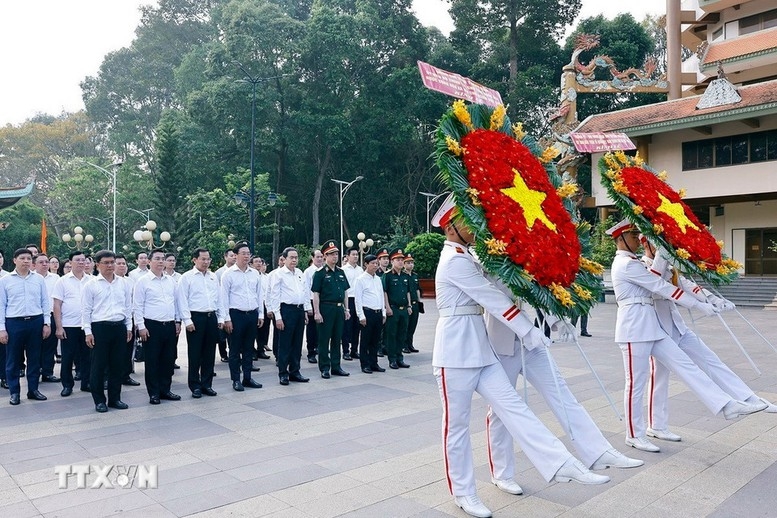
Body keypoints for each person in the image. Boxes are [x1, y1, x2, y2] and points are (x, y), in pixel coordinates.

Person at [431, 197, 608, 518]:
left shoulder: (470, 256)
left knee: (514, 408)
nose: (474, 226)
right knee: (456, 427)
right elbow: (492, 298)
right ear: (450, 227)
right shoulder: (454, 260)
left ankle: (560, 463)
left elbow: (507, 287)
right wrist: (527, 330)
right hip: (454, 353)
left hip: (481, 350)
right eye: (467, 220)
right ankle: (464, 493)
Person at [607, 219, 765, 453]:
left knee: (687, 366)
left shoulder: (635, 262)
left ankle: (726, 404)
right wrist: (698, 305)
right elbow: (660, 287)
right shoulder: (625, 265)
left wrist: (708, 300)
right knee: (636, 384)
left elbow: (670, 282)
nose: (637, 241)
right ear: (620, 239)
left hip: (652, 327)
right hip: (634, 330)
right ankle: (634, 435)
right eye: (632, 236)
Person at [484, 293, 643, 493]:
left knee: (562, 394)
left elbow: (535, 291)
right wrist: (527, 329)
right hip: (501, 344)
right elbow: (493, 299)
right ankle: (502, 474)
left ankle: (599, 451)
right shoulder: (486, 270)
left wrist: (559, 321)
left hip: (531, 343)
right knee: (500, 412)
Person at [640, 235, 777, 442]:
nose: (663, 247)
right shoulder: (642, 266)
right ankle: (656, 426)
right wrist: (662, 255)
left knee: (712, 361)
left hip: (678, 327)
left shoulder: (668, 266)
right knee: (659, 378)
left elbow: (687, 285)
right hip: (658, 332)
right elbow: (657, 287)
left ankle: (749, 397)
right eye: (658, 243)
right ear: (646, 244)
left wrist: (714, 299)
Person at [82, 250, 133, 412]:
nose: (110, 265)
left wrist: (129, 327)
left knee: (117, 365)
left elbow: (128, 307)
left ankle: (115, 399)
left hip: (119, 327)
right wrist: (88, 332)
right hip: (100, 328)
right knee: (98, 366)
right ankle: (99, 401)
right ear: (98, 265)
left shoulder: (124, 283)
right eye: (106, 263)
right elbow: (86, 310)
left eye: (112, 262)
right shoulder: (91, 284)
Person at [0, 248, 51, 405]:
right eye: (22, 258)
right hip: (14, 323)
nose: (26, 261)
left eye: (29, 258)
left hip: (35, 322)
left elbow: (45, 301)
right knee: (13, 359)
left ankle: (33, 390)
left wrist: (46, 323)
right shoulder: (5, 281)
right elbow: (1, 306)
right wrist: (2, 328)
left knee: (34, 358)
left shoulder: (38, 279)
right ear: (14, 260)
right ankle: (14, 392)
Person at [133, 248, 182, 404]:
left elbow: (177, 303)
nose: (161, 261)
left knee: (168, 360)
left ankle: (165, 389)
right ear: (149, 261)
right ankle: (154, 393)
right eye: (157, 259)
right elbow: (137, 306)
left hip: (169, 325)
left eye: (163, 259)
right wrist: (141, 326)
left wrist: (177, 321)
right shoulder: (143, 281)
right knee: (153, 361)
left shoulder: (171, 281)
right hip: (151, 326)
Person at [177, 248, 223, 398]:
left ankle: (206, 384)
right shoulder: (187, 277)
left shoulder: (213, 276)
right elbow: (182, 300)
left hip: (211, 317)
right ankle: (195, 385)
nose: (206, 262)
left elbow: (219, 298)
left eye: (208, 259)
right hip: (195, 318)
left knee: (210, 353)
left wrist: (221, 318)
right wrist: (187, 320)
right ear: (194, 259)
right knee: (195, 353)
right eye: (203, 259)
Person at [221, 243, 264, 391]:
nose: (246, 256)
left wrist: (260, 314)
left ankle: (247, 377)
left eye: (248, 253)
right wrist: (226, 318)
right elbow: (224, 298)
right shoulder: (228, 274)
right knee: (234, 349)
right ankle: (236, 379)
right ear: (235, 255)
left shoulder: (255, 274)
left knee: (248, 348)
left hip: (252, 314)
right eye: (243, 253)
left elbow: (259, 295)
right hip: (236, 315)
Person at [269, 247, 311, 386]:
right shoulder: (279, 274)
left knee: (297, 343)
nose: (294, 260)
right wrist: (278, 316)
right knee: (285, 344)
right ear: (284, 259)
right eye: (291, 257)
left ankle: (295, 371)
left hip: (299, 310)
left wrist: (306, 311)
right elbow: (274, 296)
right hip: (286, 310)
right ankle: (283, 373)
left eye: (296, 257)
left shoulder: (299, 273)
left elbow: (305, 292)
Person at [53, 251, 92, 397]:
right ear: (70, 262)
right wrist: (59, 327)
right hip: (69, 325)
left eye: (83, 260)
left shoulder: (92, 280)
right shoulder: (62, 281)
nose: (81, 262)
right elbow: (57, 305)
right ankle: (67, 385)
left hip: (87, 325)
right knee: (68, 357)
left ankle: (86, 382)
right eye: (78, 260)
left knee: (88, 356)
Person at [311, 240, 350, 379]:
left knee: (337, 338)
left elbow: (345, 291)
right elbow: (316, 294)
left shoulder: (341, 272)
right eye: (331, 254)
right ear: (325, 256)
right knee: (324, 339)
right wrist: (317, 312)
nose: (335, 256)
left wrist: (347, 309)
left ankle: (336, 366)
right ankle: (325, 367)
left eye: (336, 254)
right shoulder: (320, 273)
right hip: (326, 308)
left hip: (339, 309)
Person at [353, 254, 386, 374]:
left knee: (375, 340)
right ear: (366, 264)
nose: (375, 265)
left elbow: (381, 296)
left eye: (376, 263)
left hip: (378, 313)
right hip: (367, 313)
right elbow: (358, 299)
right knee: (365, 340)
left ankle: (374, 363)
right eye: (372, 263)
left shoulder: (378, 279)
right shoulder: (360, 279)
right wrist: (361, 316)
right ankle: (365, 364)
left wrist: (383, 313)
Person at [383, 248, 411, 369]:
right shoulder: (387, 275)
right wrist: (387, 307)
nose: (400, 262)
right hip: (393, 309)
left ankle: (400, 358)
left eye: (401, 260)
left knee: (402, 334)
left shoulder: (405, 276)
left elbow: (408, 292)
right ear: (392, 261)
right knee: (392, 334)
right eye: (397, 260)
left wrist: (409, 305)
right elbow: (384, 292)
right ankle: (392, 359)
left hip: (403, 309)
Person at [114, 254, 140, 387]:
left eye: (124, 263)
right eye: (119, 263)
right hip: (114, 320)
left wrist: (136, 320)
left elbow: (135, 302)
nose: (122, 266)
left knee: (128, 348)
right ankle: (109, 376)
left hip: (129, 319)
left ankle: (126, 375)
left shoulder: (130, 281)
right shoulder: (109, 281)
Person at [34, 253, 60, 383]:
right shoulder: (31, 278)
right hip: (35, 316)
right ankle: (35, 372)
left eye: (46, 262)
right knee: (34, 346)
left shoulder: (56, 278)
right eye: (41, 262)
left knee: (50, 345)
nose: (45, 264)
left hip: (51, 314)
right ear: (34, 264)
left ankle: (47, 372)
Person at [215, 248, 237, 362]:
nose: (233, 257)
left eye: (234, 255)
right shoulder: (219, 273)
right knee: (222, 333)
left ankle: (235, 354)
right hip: (222, 306)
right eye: (231, 255)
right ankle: (223, 354)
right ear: (225, 257)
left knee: (234, 333)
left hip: (234, 307)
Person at [341, 247, 362, 360]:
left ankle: (354, 350)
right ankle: (345, 351)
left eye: (357, 254)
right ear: (347, 256)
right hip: (348, 299)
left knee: (357, 326)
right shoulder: (343, 270)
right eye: (353, 254)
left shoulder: (360, 270)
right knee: (346, 327)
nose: (355, 256)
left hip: (358, 300)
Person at [304, 249, 324, 363]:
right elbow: (306, 289)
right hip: (311, 301)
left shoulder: (325, 270)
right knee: (312, 329)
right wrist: (308, 307)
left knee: (322, 328)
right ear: (312, 258)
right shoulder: (308, 272)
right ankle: (311, 352)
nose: (320, 259)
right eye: (317, 257)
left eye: (321, 257)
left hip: (323, 302)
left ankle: (320, 349)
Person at [251, 256, 271, 360]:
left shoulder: (265, 277)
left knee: (264, 328)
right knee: (252, 330)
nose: (259, 264)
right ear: (251, 264)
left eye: (260, 262)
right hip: (253, 306)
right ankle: (252, 351)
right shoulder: (251, 276)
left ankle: (261, 349)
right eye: (256, 262)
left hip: (265, 304)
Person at [403, 253, 421, 353]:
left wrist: (419, 301)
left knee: (413, 325)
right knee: (406, 325)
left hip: (415, 303)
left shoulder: (415, 276)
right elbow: (406, 292)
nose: (411, 265)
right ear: (404, 264)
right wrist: (408, 304)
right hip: (407, 304)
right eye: (408, 263)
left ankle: (410, 344)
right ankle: (404, 345)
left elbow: (417, 289)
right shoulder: (403, 276)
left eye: (412, 263)